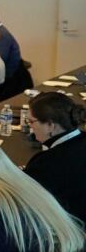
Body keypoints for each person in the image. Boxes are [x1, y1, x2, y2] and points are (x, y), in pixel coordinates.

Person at [24, 92, 86, 222]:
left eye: (31, 122)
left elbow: (23, 198)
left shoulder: (45, 163)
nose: (30, 127)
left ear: (50, 125)